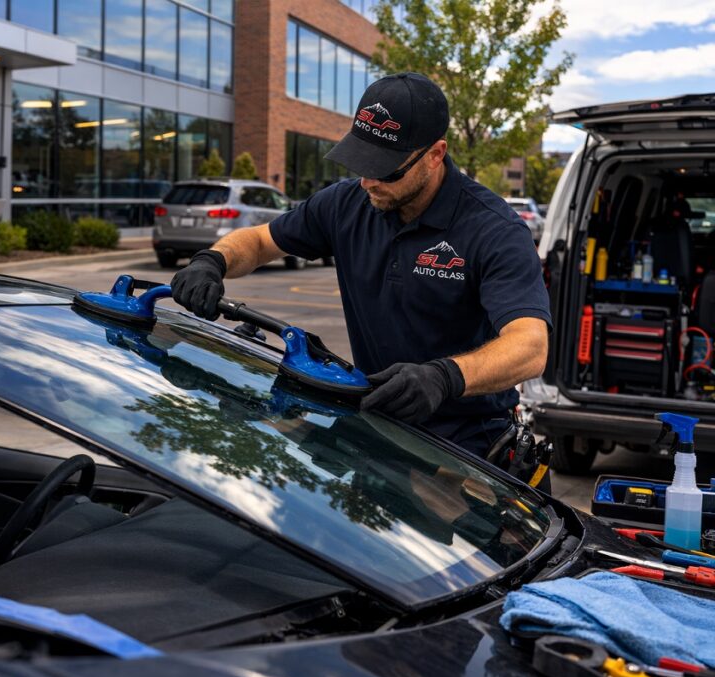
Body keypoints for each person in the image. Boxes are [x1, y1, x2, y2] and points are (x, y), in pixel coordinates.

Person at [170, 73, 550, 458]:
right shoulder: (345, 205)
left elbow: (530, 345)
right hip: (376, 423)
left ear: (435, 155)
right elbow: (259, 240)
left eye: (385, 170)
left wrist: (444, 376)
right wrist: (212, 260)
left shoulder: (493, 229)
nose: (368, 181)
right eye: (360, 163)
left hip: (466, 446)